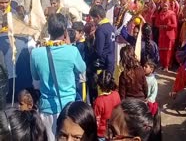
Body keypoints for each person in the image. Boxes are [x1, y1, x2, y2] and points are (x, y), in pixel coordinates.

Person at [30, 13, 86, 141]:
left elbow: (35, 77)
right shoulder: (72, 51)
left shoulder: (36, 53)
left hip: (47, 109)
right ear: (65, 31)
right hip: (69, 108)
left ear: (49, 31)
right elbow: (82, 68)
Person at [94, 71, 121, 141]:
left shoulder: (99, 101)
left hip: (102, 133)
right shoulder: (116, 95)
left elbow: (97, 119)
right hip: (114, 130)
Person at [89, 5, 116, 74]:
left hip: (103, 64)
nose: (92, 20)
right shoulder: (110, 26)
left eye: (93, 18)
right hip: (111, 61)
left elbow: (99, 51)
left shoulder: (101, 30)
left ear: (98, 17)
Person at [155, 0, 177, 71]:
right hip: (162, 35)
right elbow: (156, 23)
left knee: (168, 51)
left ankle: (167, 66)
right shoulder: (160, 13)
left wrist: (167, 26)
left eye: (166, 6)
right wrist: (160, 26)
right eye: (163, 6)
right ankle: (163, 64)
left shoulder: (172, 14)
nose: (164, 7)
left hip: (169, 35)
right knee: (162, 50)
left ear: (169, 6)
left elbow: (175, 24)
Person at [72, 21, 88, 102]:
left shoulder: (83, 45)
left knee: (82, 97)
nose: (73, 36)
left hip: (81, 76)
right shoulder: (76, 45)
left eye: (75, 33)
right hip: (76, 76)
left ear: (81, 33)